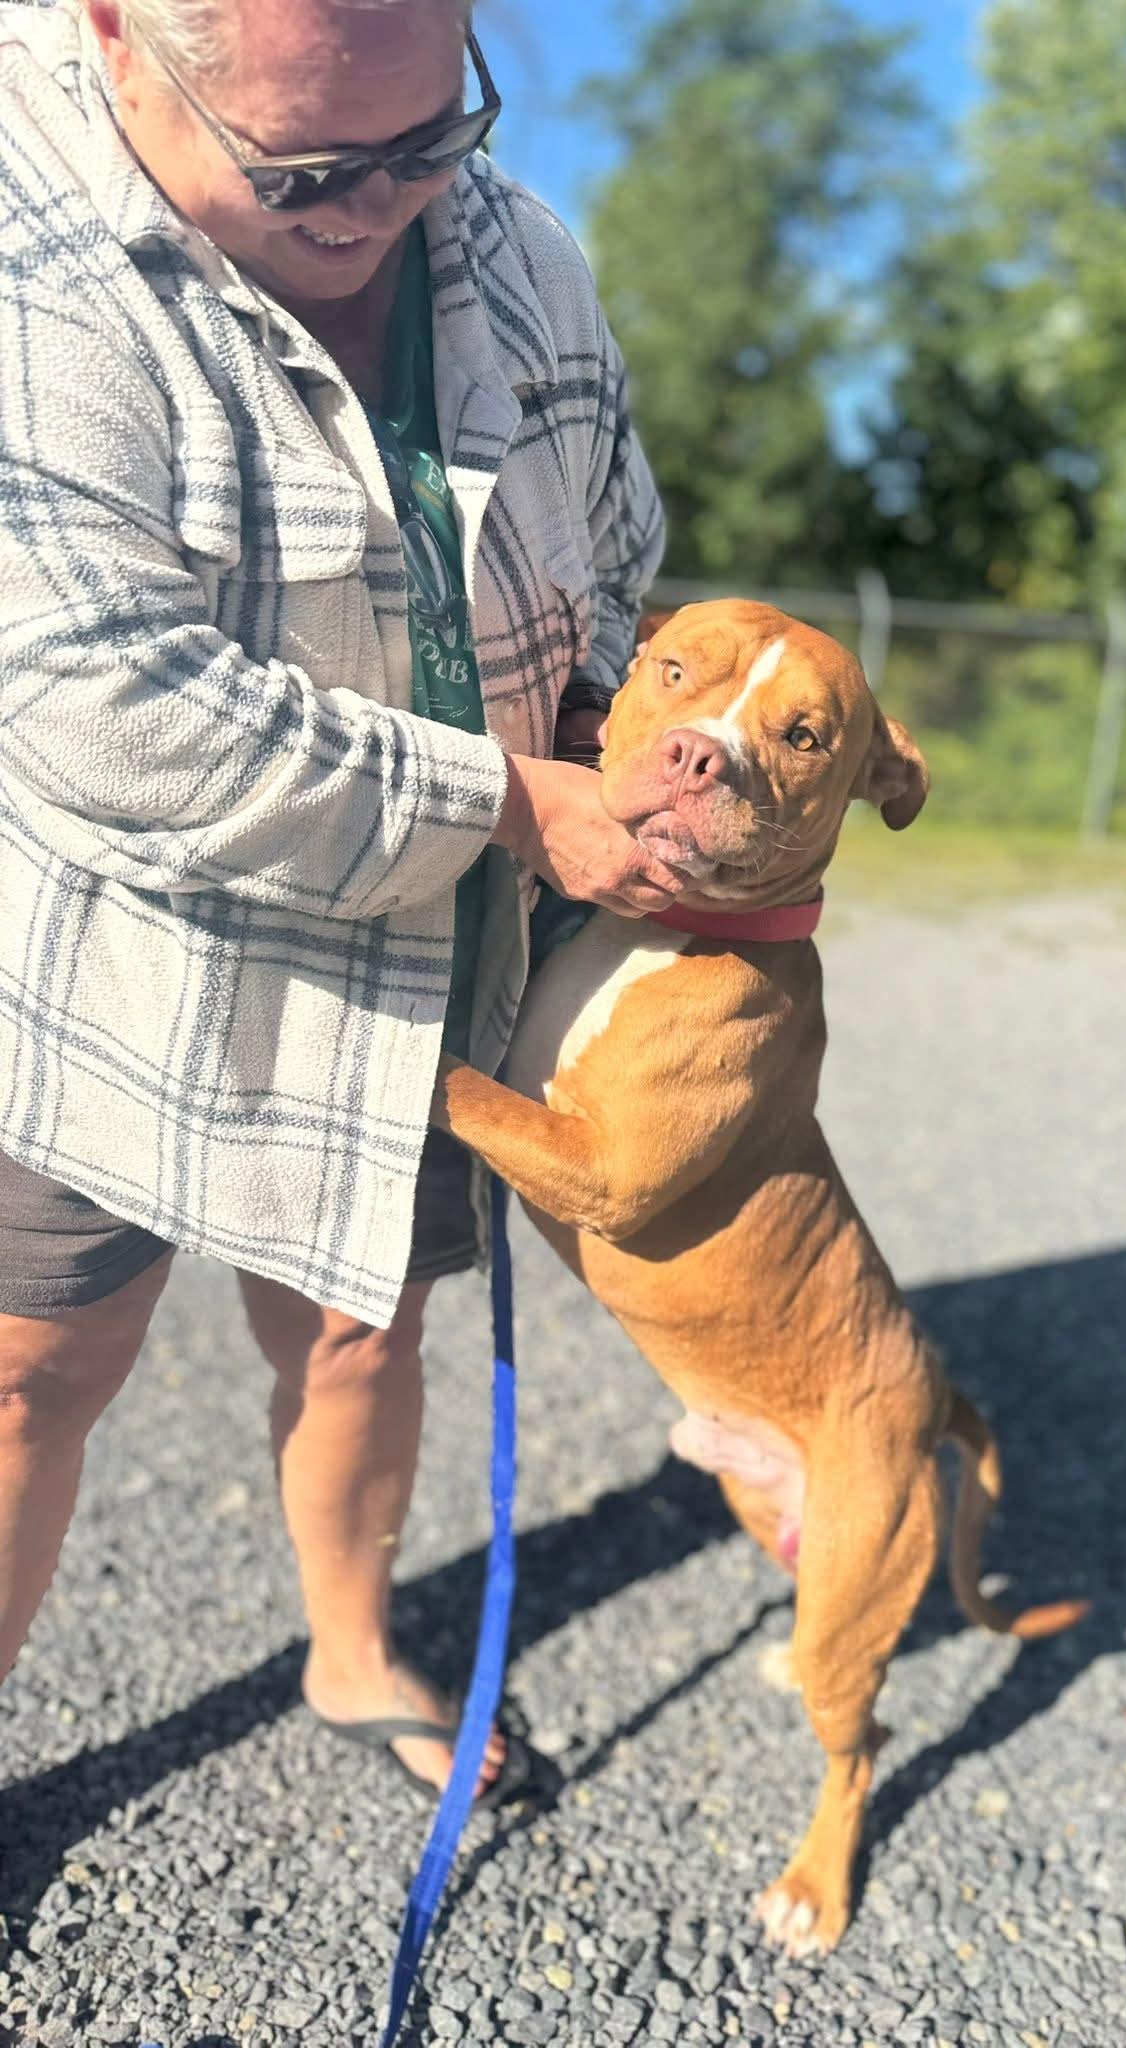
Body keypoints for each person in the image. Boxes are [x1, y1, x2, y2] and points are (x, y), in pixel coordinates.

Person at [0, 0, 684, 1801]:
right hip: (114, 935)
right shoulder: (24, 237)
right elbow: (96, 701)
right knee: (33, 1361)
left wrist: (613, 718)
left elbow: (615, 538)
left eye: (430, 136)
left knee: (368, 1325)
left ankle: (354, 1645)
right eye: (308, 169)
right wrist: (512, 801)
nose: (380, 206)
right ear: (119, 38)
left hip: (427, 938)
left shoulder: (519, 245)